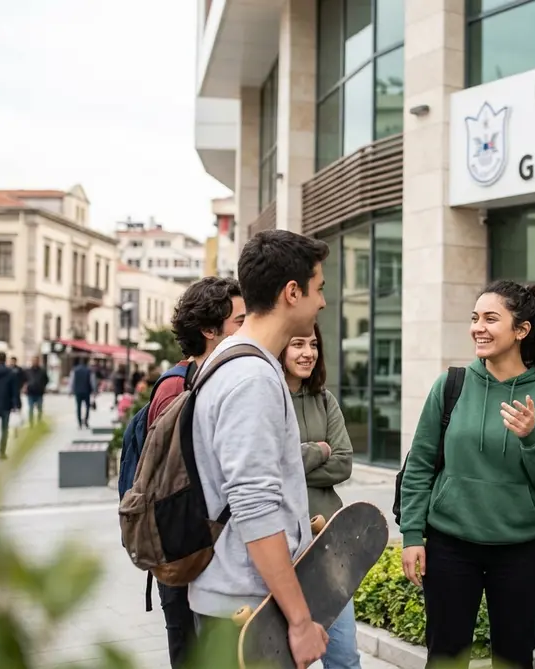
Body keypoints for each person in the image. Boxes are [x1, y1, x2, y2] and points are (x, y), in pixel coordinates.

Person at [399, 280, 535, 669]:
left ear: (521, 330)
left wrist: (532, 438)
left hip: (519, 552)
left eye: (491, 318)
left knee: (513, 659)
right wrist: (412, 535)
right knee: (445, 658)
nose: (478, 326)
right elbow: (420, 466)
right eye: (475, 318)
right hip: (450, 547)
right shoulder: (451, 385)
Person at [189, 230, 329, 669]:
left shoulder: (231, 358)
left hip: (238, 603)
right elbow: (254, 507)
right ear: (293, 292)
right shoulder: (252, 377)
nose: (323, 302)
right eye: (319, 288)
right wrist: (301, 621)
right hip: (247, 613)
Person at [143, 277, 245, 669]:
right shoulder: (179, 386)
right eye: (239, 321)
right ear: (208, 329)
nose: (248, 329)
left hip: (209, 551)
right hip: (186, 550)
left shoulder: (219, 379)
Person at [280, 324, 361, 669]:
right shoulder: (266, 397)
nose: (307, 352)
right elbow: (266, 468)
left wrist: (292, 462)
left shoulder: (324, 399)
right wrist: (318, 450)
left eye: (313, 344)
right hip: (280, 549)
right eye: (297, 343)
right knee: (281, 658)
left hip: (328, 546)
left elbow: (343, 464)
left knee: (344, 656)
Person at [70, 358, 95, 428]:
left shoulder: (75, 370)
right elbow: (92, 381)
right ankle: (86, 420)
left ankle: (79, 422)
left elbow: (72, 380)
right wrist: (94, 390)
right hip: (86, 390)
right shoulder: (89, 370)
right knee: (87, 406)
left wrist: (71, 390)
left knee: (78, 407)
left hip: (78, 391)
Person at [25, 356, 50, 423]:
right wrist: (26, 387)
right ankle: (31, 422)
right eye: (33, 360)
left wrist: (43, 386)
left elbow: (47, 380)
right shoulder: (28, 371)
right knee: (31, 409)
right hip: (30, 392)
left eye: (36, 360)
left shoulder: (42, 371)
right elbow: (24, 380)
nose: (34, 362)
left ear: (38, 361)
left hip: (39, 392)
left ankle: (39, 421)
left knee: (40, 408)